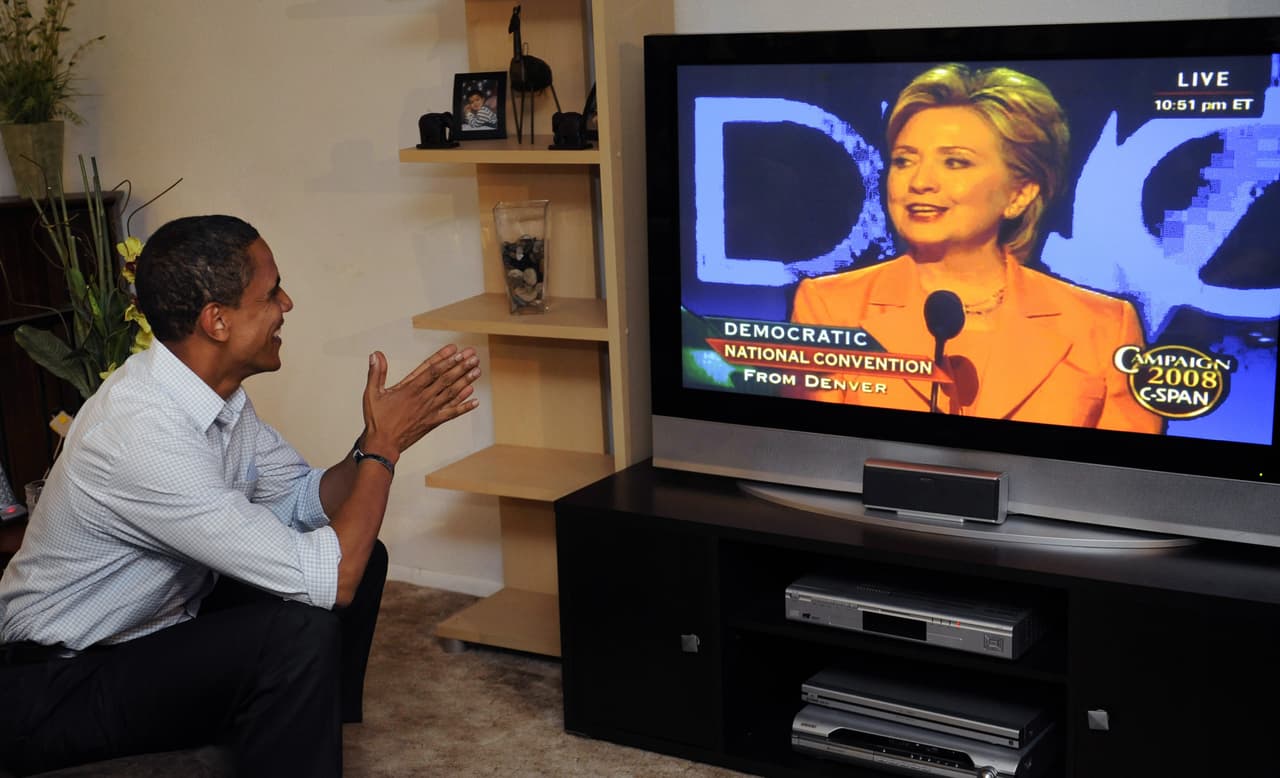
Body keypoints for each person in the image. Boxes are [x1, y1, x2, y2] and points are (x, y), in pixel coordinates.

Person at [0, 215, 481, 777]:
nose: (288, 303)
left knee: (360, 555)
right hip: (52, 687)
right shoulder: (141, 434)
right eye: (271, 292)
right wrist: (383, 451)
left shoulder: (215, 399)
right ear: (218, 321)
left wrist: (373, 444)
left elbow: (306, 498)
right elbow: (333, 579)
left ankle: (303, 732)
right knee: (302, 624)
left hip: (155, 632)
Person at [791, 63, 1161, 432]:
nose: (919, 181)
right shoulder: (830, 307)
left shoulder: (1104, 325)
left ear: (1019, 193)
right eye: (904, 161)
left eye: (955, 162)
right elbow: (816, 453)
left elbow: (1127, 478)